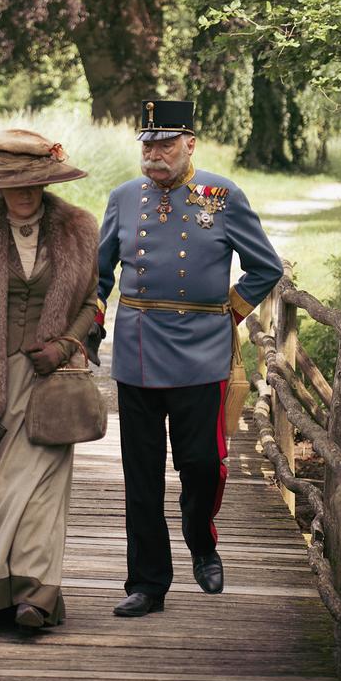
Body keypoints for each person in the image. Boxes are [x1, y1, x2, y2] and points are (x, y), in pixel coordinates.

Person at [94, 100, 283, 617]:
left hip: (202, 351)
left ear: (190, 142)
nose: (154, 154)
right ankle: (147, 584)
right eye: (148, 144)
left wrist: (230, 315)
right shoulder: (123, 199)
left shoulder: (221, 197)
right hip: (136, 352)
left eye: (165, 144)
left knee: (202, 464)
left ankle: (201, 539)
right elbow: (98, 276)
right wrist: (90, 326)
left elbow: (265, 267)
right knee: (142, 472)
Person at [0, 128, 100, 629]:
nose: (25, 193)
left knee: (44, 484)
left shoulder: (77, 227)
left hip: (51, 379)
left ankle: (34, 595)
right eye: (14, 183)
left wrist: (65, 346)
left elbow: (91, 304)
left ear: (49, 181)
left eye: (36, 182)